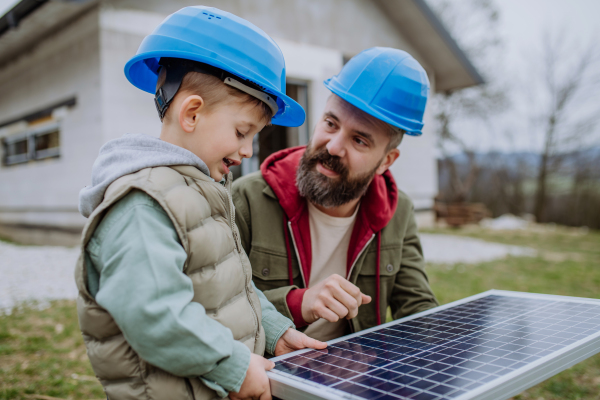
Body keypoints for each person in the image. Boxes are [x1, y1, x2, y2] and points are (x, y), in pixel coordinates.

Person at [74, 7, 324, 400]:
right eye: (242, 132)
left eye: (254, 137)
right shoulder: (144, 203)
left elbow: (230, 285)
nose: (247, 151)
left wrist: (275, 334)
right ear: (192, 113)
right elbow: (154, 314)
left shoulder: (202, 189)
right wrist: (236, 367)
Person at [233, 47, 439, 342]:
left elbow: (418, 309)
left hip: (356, 379)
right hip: (268, 377)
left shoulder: (398, 210)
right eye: (330, 124)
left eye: (359, 140)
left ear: (386, 161)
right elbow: (216, 304)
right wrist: (299, 303)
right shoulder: (245, 200)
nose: (332, 147)